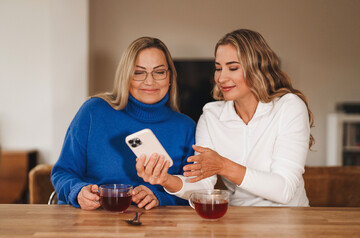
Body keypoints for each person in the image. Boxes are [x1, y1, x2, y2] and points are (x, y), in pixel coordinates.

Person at [136, 29, 314, 206]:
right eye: (218, 68)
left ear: (257, 68)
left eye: (233, 68)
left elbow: (285, 190)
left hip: (288, 220)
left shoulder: (289, 106)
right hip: (239, 220)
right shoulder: (211, 115)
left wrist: (223, 166)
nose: (221, 77)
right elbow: (202, 184)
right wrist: (166, 179)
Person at [51, 37, 195, 210]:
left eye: (159, 72)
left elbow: (193, 194)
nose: (150, 81)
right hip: (93, 222)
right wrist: (78, 191)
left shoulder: (185, 127)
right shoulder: (93, 111)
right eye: (139, 72)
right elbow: (62, 173)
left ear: (170, 77)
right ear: (126, 76)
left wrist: (160, 198)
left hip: (156, 226)